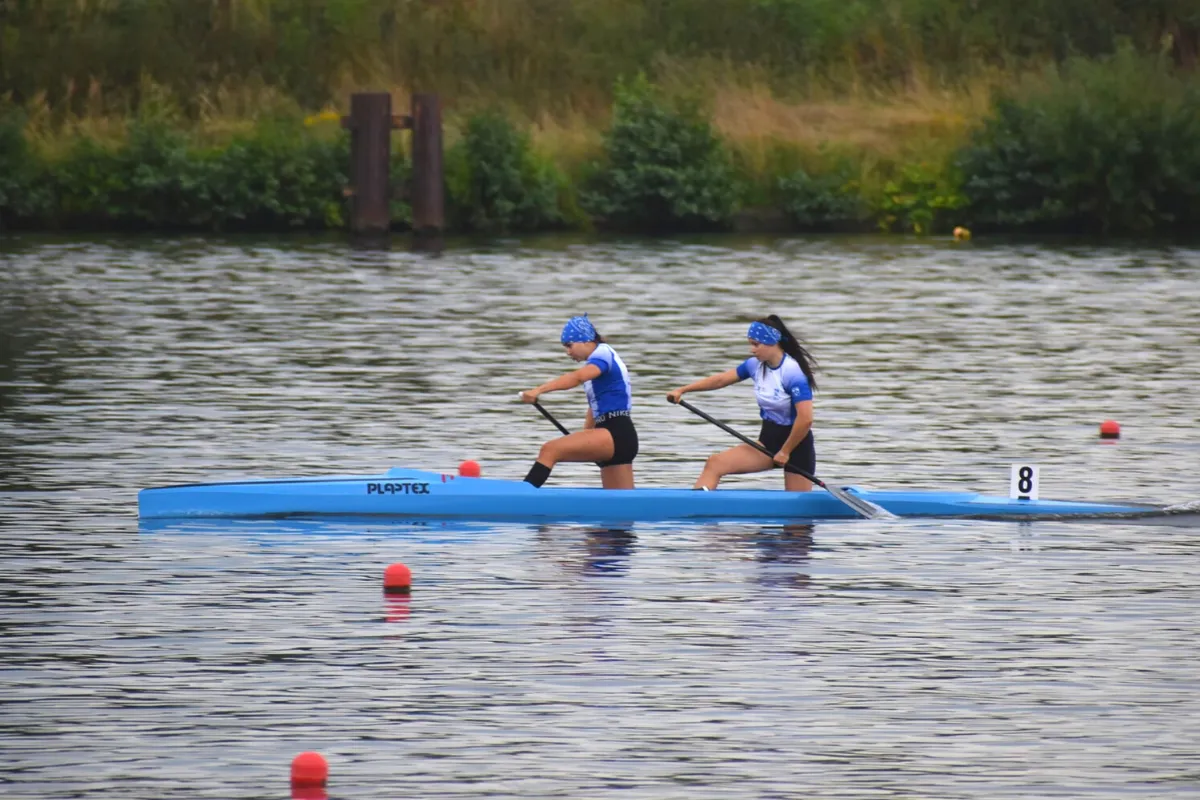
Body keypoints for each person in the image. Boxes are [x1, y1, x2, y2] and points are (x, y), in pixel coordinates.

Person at [666, 315, 818, 491]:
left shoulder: (793, 373)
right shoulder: (754, 365)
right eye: (750, 344)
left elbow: (805, 419)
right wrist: (683, 390)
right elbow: (721, 380)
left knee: (795, 507)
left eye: (756, 344)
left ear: (771, 342)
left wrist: (785, 451)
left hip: (796, 446)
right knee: (716, 463)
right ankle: (697, 505)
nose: (752, 350)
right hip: (768, 442)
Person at [519, 315, 638, 489]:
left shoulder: (603, 353)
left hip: (615, 433)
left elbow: (576, 377)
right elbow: (594, 408)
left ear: (585, 340)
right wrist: (586, 437)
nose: (568, 352)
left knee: (550, 450)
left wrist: (538, 391)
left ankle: (522, 495)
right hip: (619, 438)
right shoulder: (596, 369)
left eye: (569, 345)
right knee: (621, 503)